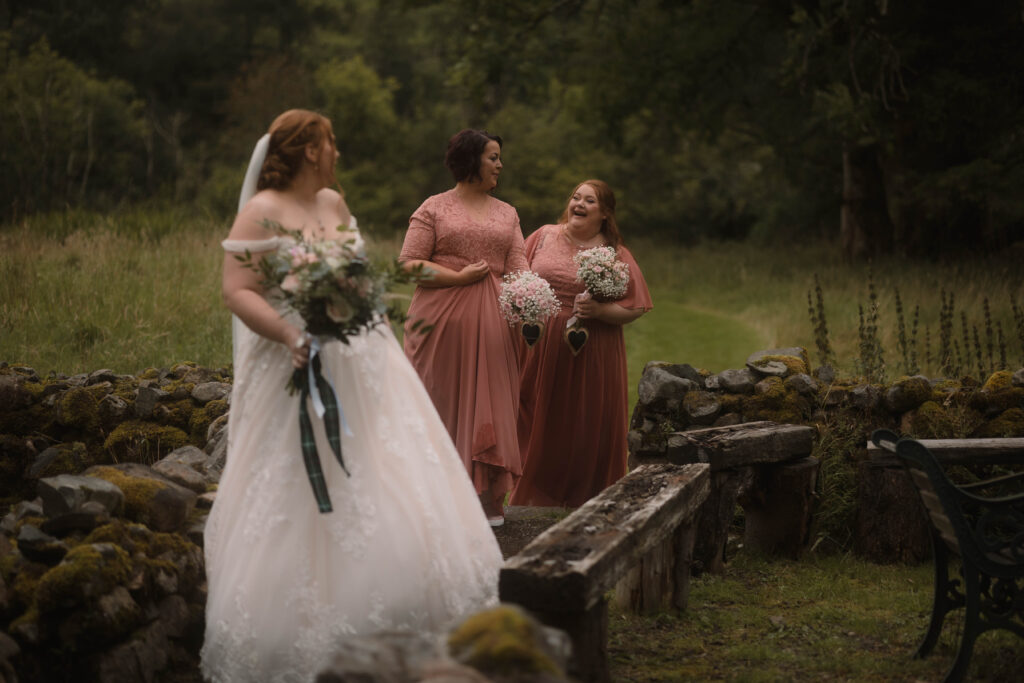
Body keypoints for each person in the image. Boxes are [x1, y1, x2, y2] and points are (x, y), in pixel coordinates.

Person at [202, 110, 503, 683]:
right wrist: (292, 332)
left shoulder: (334, 205)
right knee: (298, 485)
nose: (336, 150)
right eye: (330, 141)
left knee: (385, 467)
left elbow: (360, 278)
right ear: (309, 150)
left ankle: (402, 609)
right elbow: (237, 290)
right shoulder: (260, 210)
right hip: (297, 363)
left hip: (363, 360)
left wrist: (376, 331)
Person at [399, 129, 528, 526]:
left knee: (490, 405)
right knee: (440, 402)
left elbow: (520, 267)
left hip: (494, 326)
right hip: (439, 325)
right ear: (471, 160)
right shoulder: (434, 208)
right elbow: (408, 264)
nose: (500, 165)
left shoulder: (507, 213)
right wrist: (458, 278)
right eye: (493, 157)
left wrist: (531, 298)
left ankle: (486, 498)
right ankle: (433, 496)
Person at [510, 180, 652, 509]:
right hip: (538, 346)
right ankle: (531, 497)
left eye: (590, 201)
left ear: (604, 214)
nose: (580, 204)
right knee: (532, 419)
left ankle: (582, 501)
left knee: (582, 427)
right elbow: (516, 275)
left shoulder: (614, 253)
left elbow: (636, 306)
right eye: (576, 197)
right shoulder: (543, 235)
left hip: (591, 350)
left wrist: (601, 311)